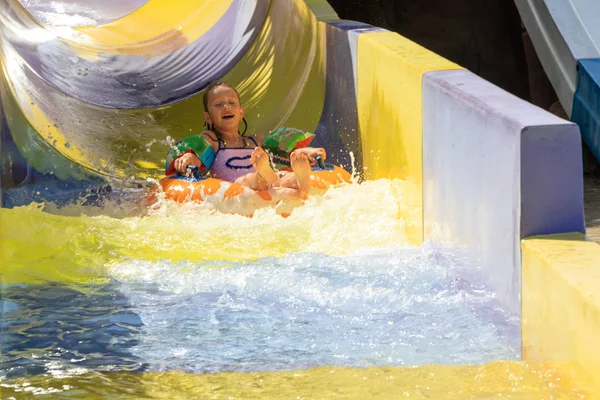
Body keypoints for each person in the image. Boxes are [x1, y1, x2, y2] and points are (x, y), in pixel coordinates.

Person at [171, 81, 326, 196]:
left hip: (269, 182)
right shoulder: (212, 140)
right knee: (247, 180)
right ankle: (262, 174)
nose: (226, 107)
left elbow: (284, 150)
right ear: (208, 118)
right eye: (218, 105)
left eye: (232, 103)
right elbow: (200, 152)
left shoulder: (256, 142)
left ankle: (300, 179)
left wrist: (304, 152)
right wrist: (190, 156)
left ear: (241, 112)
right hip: (237, 188)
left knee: (282, 176)